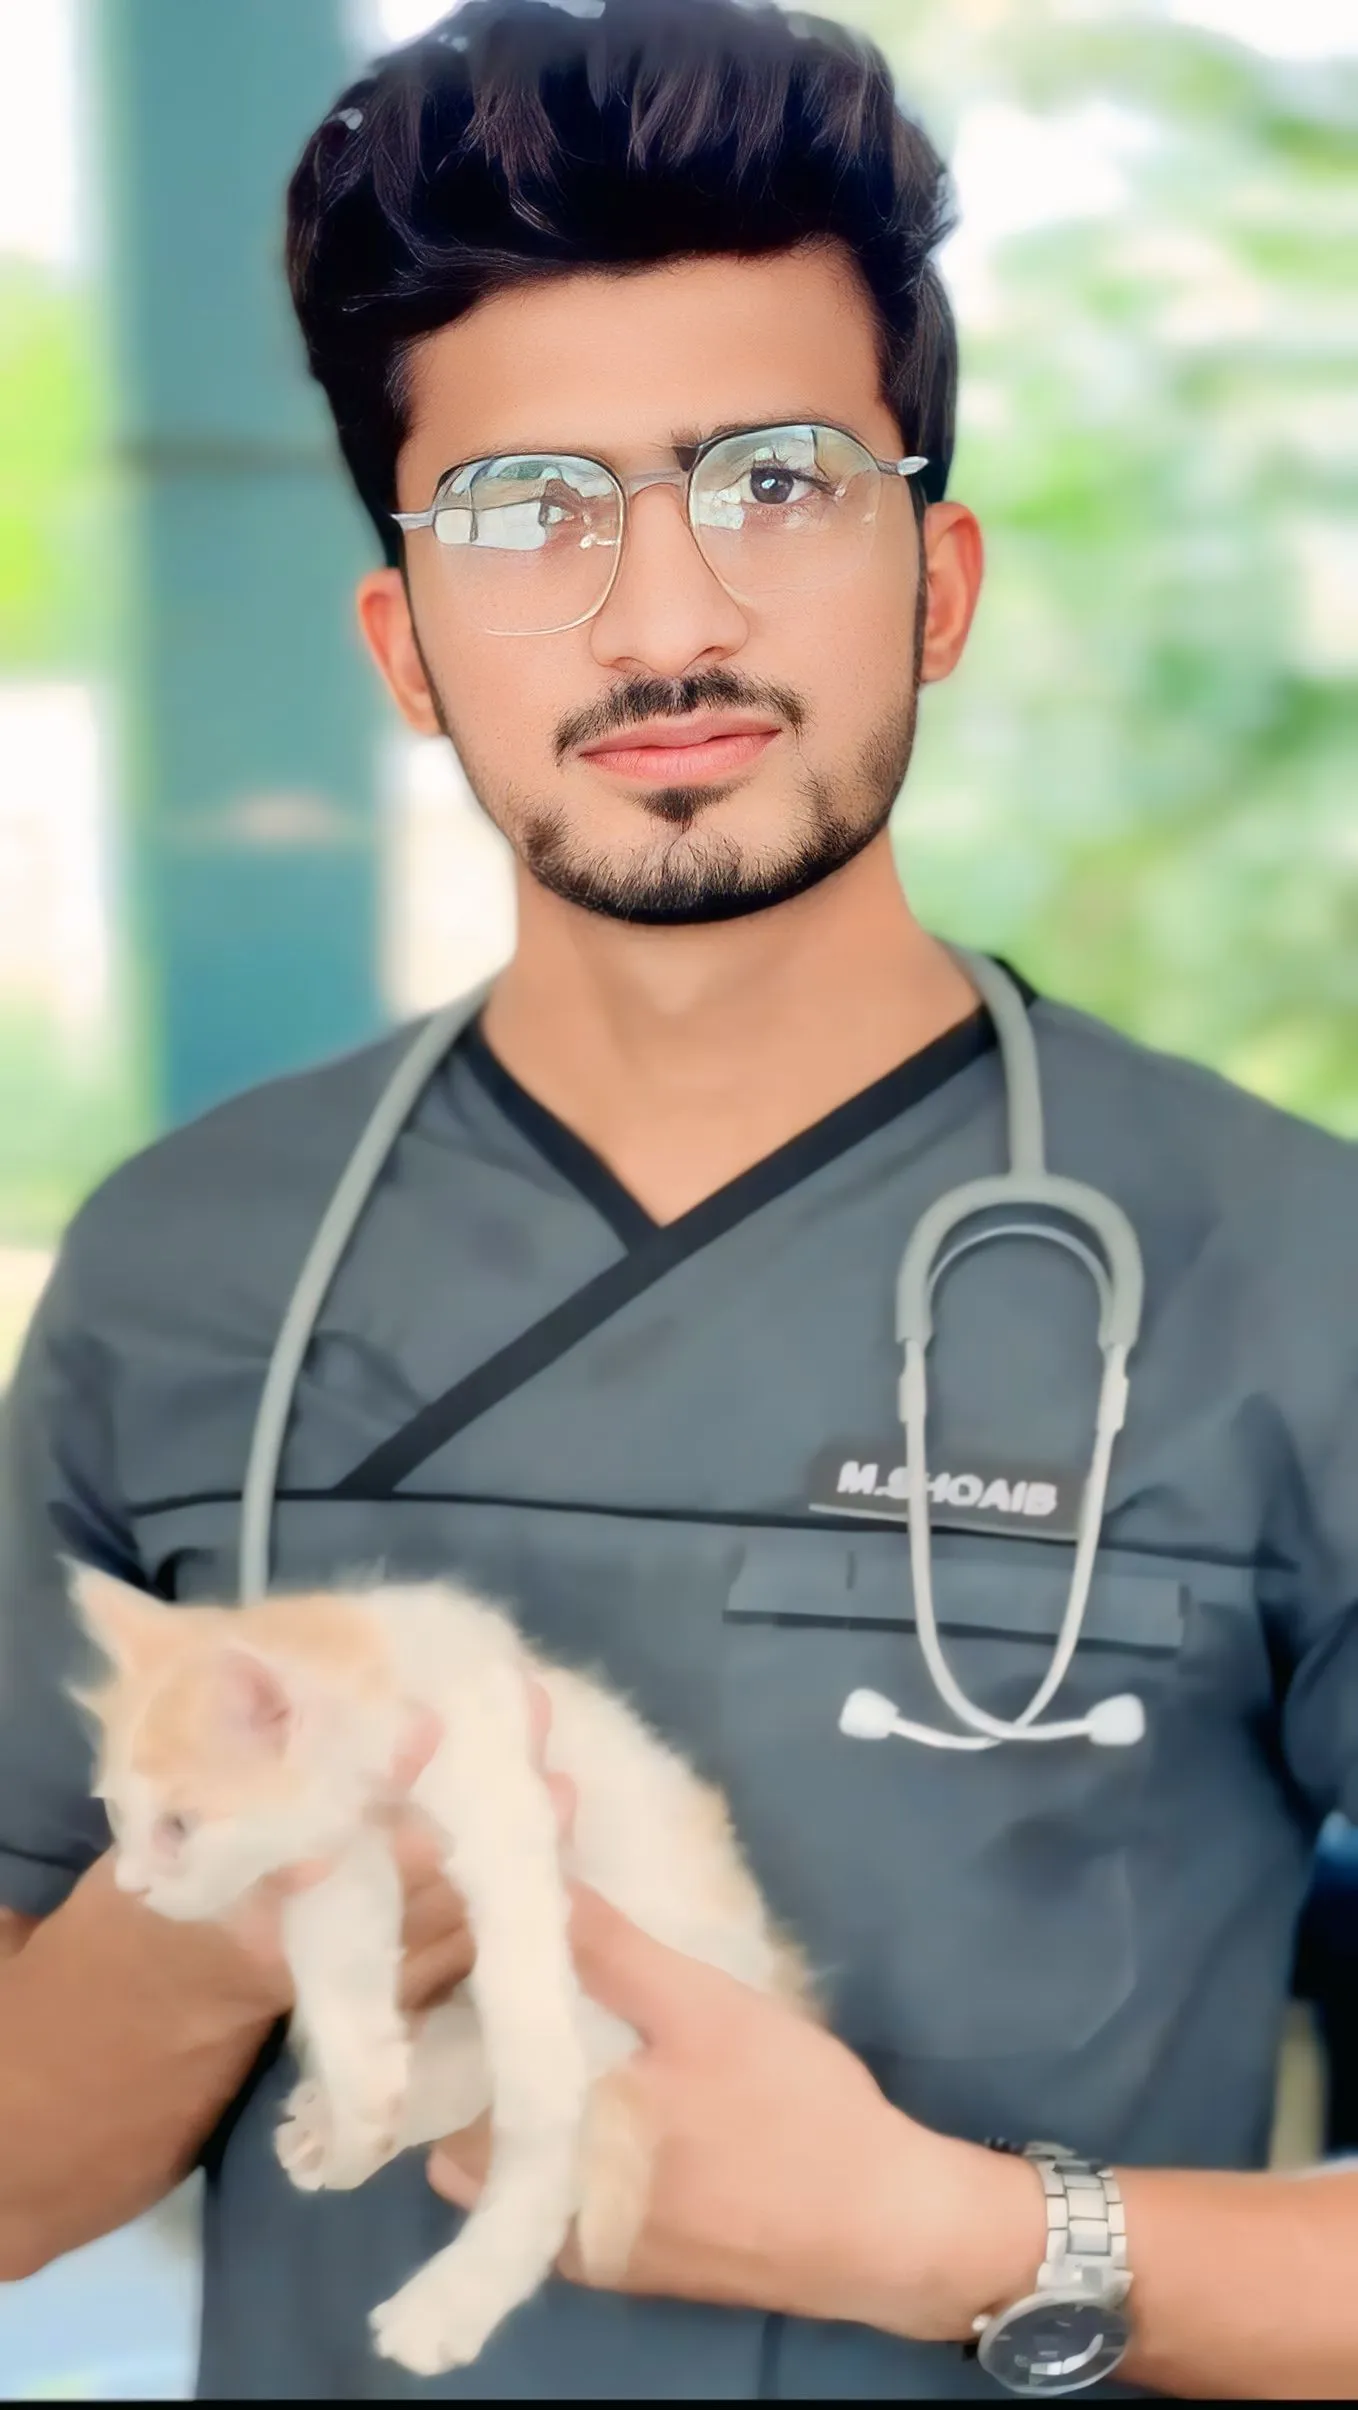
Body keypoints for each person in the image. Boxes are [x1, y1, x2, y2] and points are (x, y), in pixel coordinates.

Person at [0, 0, 1355, 2395]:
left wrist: (951, 2228)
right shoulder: (190, 1266)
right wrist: (223, 1908)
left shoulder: (1289, 1273)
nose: (664, 620)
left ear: (936, 582)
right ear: (403, 645)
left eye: (775, 481)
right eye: (524, 511)